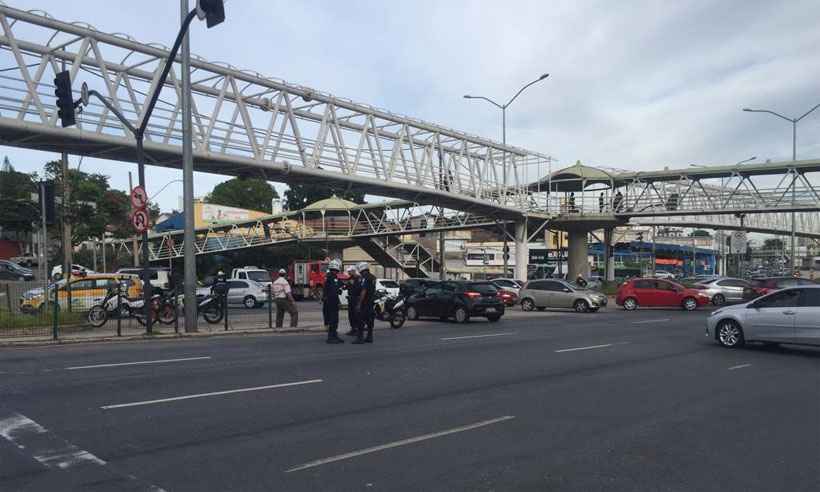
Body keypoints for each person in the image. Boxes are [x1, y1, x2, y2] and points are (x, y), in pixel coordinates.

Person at [353, 262, 376, 344]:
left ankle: (360, 338)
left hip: (365, 302)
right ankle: (369, 337)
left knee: (360, 320)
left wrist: (359, 303)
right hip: (371, 301)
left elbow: (364, 291)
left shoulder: (365, 278)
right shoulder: (373, 277)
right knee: (369, 320)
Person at [322, 259, 344, 344]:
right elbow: (333, 290)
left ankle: (334, 335)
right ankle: (331, 337)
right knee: (332, 320)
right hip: (330, 302)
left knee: (335, 320)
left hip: (331, 301)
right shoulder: (331, 277)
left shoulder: (331, 276)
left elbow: (336, 288)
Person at [344, 265, 362, 337]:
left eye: (349, 271)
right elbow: (346, 287)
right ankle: (353, 329)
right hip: (350, 299)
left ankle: (358, 329)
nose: (348, 273)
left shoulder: (358, 278)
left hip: (356, 299)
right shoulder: (350, 278)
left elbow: (359, 288)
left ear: (353, 271)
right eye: (348, 272)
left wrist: (352, 284)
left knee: (356, 315)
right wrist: (345, 285)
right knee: (351, 315)